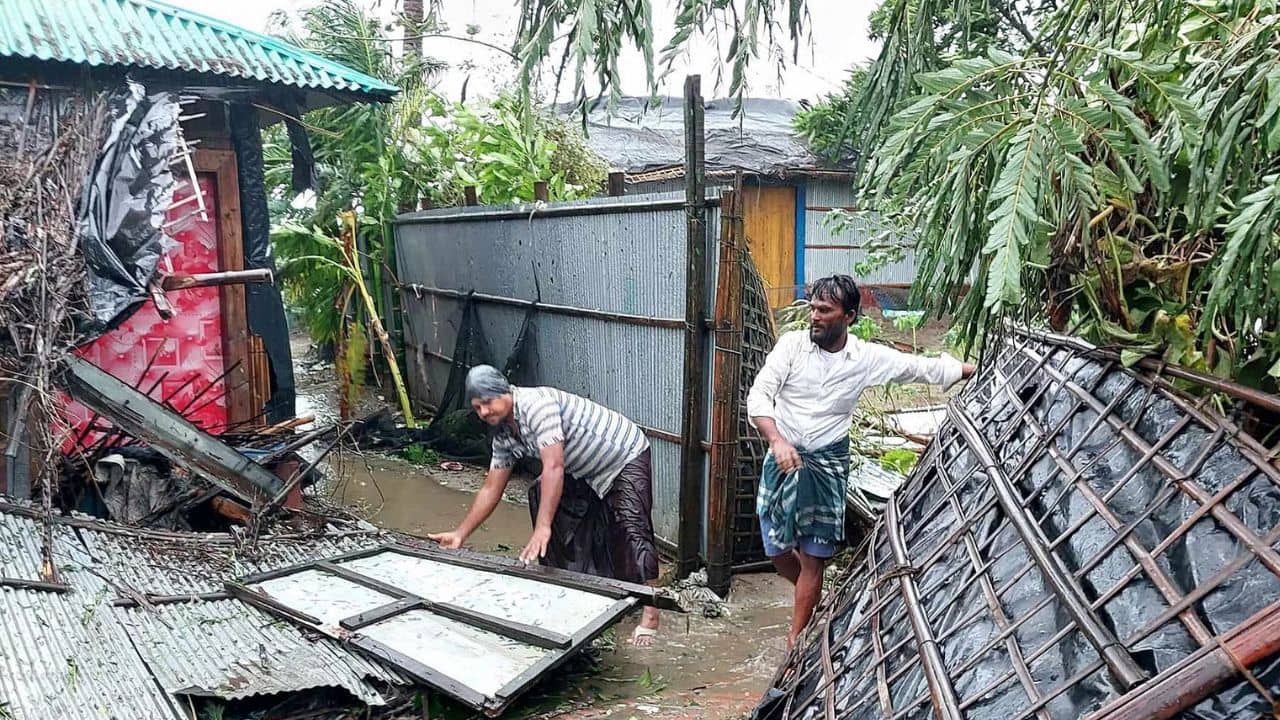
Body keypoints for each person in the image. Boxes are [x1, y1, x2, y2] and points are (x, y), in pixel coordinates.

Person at [746, 274, 975, 646]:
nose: (814, 316)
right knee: (775, 546)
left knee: (815, 554)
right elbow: (759, 395)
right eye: (813, 308)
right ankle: (810, 590)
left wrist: (966, 371)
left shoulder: (865, 358)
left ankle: (795, 640)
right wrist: (776, 440)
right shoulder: (790, 347)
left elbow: (915, 367)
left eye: (825, 310)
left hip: (827, 464)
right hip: (783, 457)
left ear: (849, 316)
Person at [428, 365, 663, 646]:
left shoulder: (537, 405)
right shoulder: (503, 434)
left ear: (505, 392)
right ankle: (578, 589)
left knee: (630, 531)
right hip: (584, 470)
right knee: (545, 500)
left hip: (623, 455)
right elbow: (492, 487)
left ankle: (651, 611)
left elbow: (553, 466)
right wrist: (461, 534)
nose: (484, 413)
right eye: (478, 408)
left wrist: (542, 527)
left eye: (488, 403)